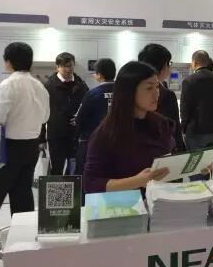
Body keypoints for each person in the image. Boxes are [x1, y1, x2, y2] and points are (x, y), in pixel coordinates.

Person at [83, 61, 173, 193]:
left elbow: (168, 159)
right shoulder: (107, 133)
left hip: (160, 200)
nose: (156, 93)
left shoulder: (161, 123)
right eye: (149, 88)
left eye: (157, 87)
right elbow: (90, 184)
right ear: (129, 91)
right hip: (123, 204)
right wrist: (136, 181)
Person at [0, 42, 50, 223]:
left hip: (9, 148)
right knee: (23, 195)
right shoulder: (40, 86)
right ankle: (23, 236)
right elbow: (45, 117)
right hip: (31, 147)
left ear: (8, 62)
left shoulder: (8, 85)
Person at [180, 50, 213, 177]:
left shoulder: (188, 81)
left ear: (194, 62)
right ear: (207, 62)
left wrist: (183, 128)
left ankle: (198, 188)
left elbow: (185, 109)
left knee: (196, 168)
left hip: (195, 132)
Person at [44, 52, 88, 175]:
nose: (68, 69)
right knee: (57, 169)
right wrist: (41, 138)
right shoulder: (49, 86)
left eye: (71, 66)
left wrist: (81, 118)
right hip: (56, 136)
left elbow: (87, 107)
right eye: (65, 66)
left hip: (76, 135)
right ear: (57, 67)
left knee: (76, 171)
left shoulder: (81, 85)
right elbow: (42, 112)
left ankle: (74, 189)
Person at [138, 44, 186, 152]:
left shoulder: (131, 91)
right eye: (169, 64)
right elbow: (175, 131)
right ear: (162, 66)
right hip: (161, 152)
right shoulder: (167, 95)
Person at [75, 58, 116, 177]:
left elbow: (80, 119)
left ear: (99, 75)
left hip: (94, 142)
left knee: (90, 177)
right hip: (118, 143)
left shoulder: (93, 93)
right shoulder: (124, 94)